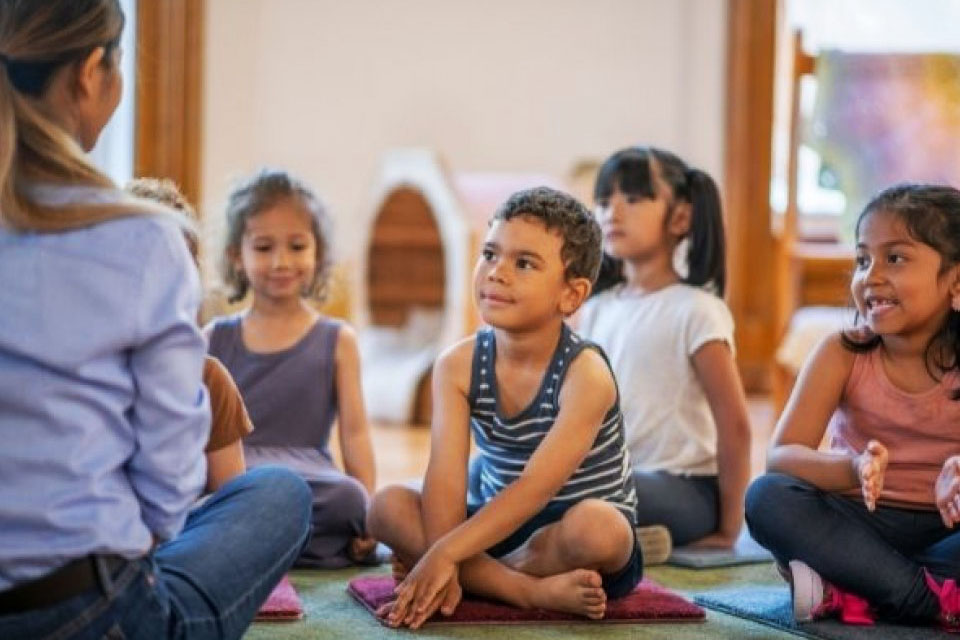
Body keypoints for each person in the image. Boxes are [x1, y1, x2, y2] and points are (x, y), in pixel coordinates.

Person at [0, 3, 311, 639]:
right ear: (91, 72)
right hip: (88, 611)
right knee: (280, 493)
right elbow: (167, 487)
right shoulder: (142, 237)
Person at [367, 186, 642, 629]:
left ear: (571, 295)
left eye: (524, 263)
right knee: (386, 506)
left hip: (566, 532)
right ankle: (526, 589)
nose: (497, 273)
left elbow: (536, 487)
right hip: (493, 523)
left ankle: (478, 576)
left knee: (599, 530)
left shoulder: (586, 374)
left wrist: (445, 554)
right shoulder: (456, 366)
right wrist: (445, 546)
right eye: (490, 253)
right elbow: (445, 482)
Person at [747, 184, 960, 630]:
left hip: (946, 536)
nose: (871, 276)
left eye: (895, 258)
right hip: (859, 525)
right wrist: (850, 468)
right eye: (863, 260)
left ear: (956, 283)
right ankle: (923, 599)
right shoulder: (842, 353)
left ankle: (853, 589)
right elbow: (781, 457)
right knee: (768, 498)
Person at [578, 146, 751, 550]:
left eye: (634, 199)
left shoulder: (697, 311)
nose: (612, 212)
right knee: (501, 474)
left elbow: (736, 427)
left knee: (576, 494)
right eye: (604, 200)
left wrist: (728, 530)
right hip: (614, 477)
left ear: (681, 217)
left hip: (683, 489)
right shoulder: (596, 310)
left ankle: (614, 542)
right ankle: (625, 544)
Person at [206, 168, 378, 567]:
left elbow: (355, 433)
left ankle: (256, 547)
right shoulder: (213, 337)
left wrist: (369, 510)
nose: (281, 262)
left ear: (318, 252)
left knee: (348, 500)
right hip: (235, 474)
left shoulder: (339, 340)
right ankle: (282, 543)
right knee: (203, 495)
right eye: (264, 247)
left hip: (311, 481)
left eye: (297, 246)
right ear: (237, 255)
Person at [127, 177, 252, 493]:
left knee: (277, 490)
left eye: (170, 270)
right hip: (106, 531)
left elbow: (231, 499)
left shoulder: (208, 378)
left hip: (187, 532)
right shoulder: (87, 372)